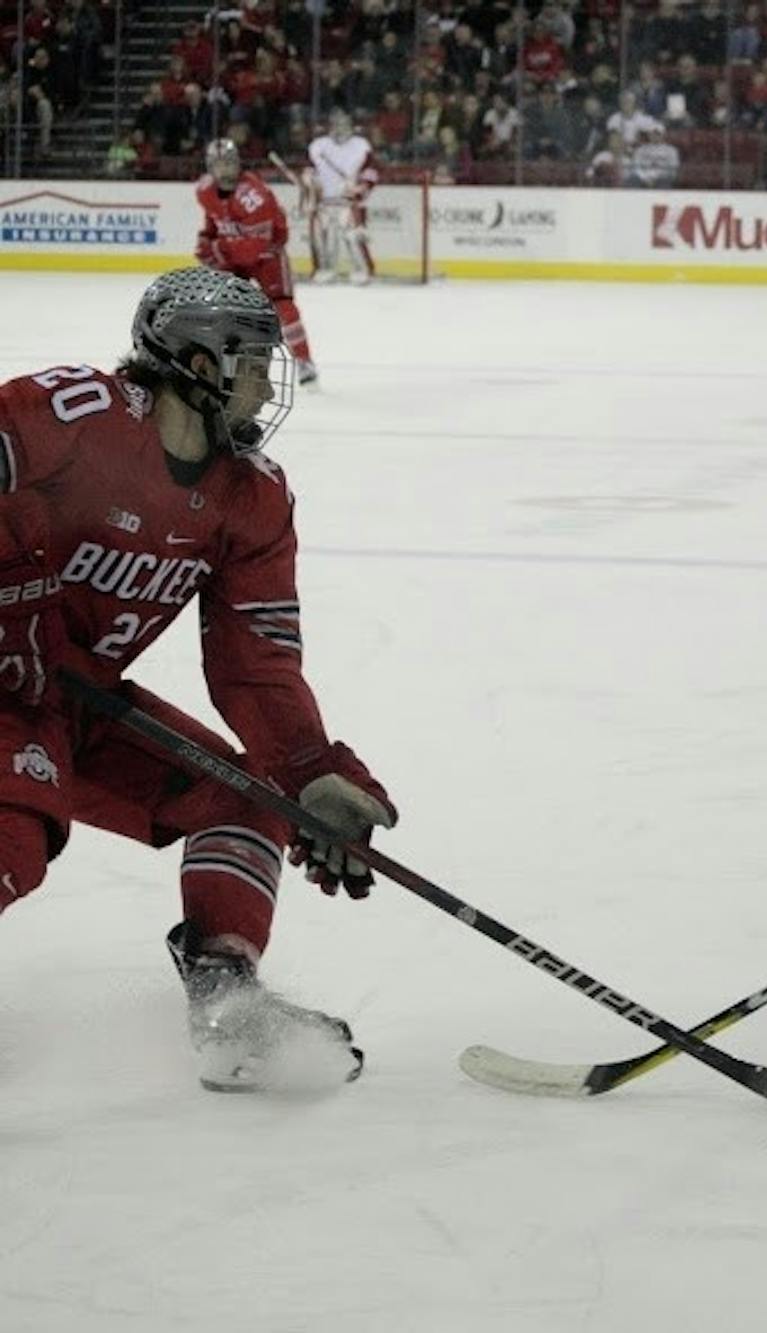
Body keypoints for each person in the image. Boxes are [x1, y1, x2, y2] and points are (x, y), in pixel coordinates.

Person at [0, 267, 398, 1092]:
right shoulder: (76, 415)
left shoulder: (250, 497)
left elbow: (255, 662)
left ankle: (225, 999)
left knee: (246, 796)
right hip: (13, 686)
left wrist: (311, 769)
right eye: (251, 357)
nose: (266, 377)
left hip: (68, 702)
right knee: (16, 828)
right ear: (196, 360)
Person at [194, 139, 318, 386]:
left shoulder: (253, 195)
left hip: (267, 256)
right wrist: (206, 239)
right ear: (209, 167)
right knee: (226, 308)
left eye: (228, 164)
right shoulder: (205, 190)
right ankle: (227, 364)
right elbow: (214, 219)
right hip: (235, 256)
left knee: (282, 306)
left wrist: (217, 248)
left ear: (238, 163)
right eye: (218, 165)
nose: (224, 170)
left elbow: (253, 249)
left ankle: (304, 361)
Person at [306, 109, 380, 285]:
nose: (340, 128)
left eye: (344, 124)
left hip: (349, 202)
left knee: (353, 237)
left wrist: (361, 187)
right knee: (322, 236)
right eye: (336, 124)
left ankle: (363, 269)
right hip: (325, 201)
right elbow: (309, 170)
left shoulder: (361, 145)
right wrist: (310, 182)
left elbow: (372, 171)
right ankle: (325, 268)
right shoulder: (318, 146)